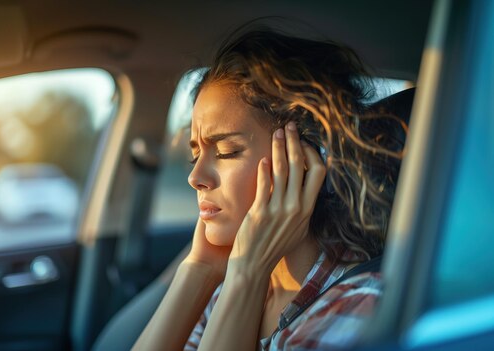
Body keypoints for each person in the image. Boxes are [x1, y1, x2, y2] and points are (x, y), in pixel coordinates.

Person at [133, 24, 407, 351]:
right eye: (195, 155)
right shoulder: (223, 290)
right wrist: (200, 270)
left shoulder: (358, 307)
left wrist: (247, 274)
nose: (195, 178)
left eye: (226, 151)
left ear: (306, 158)